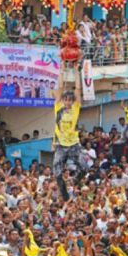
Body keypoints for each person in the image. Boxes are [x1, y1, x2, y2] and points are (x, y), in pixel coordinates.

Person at [52, 59, 83, 201]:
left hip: (74, 144)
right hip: (60, 144)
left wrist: (76, 71)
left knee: (83, 167)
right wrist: (62, 69)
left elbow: (78, 89)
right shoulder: (58, 106)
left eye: (70, 100)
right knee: (57, 172)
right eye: (66, 100)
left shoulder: (76, 107)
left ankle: (74, 182)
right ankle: (65, 195)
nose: (68, 102)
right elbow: (60, 87)